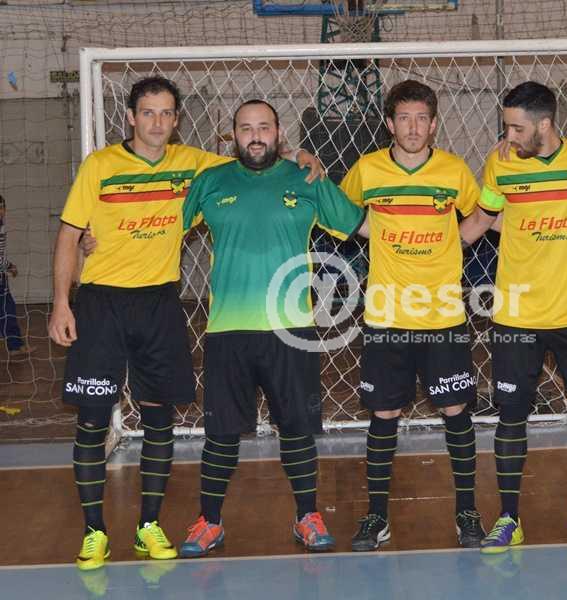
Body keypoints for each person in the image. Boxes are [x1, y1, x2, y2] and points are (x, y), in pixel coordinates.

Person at [48, 76, 323, 571]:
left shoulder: (197, 165)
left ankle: (149, 526)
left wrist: (301, 155)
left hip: (160, 303)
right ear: (130, 117)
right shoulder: (100, 166)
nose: (157, 122)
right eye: (147, 112)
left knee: (159, 419)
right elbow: (69, 235)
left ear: (176, 120)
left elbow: (255, 154)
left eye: (166, 113)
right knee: (92, 420)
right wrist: (61, 304)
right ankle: (94, 532)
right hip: (100, 304)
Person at [177, 99, 366, 557]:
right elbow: (160, 231)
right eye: (246, 128)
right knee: (221, 433)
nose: (255, 135)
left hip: (291, 328)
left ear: (279, 133)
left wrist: (431, 229)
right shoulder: (211, 181)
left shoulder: (307, 178)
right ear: (233, 135)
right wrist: (95, 239)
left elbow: (362, 226)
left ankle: (307, 516)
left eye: (264, 127)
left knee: (297, 428)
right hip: (228, 330)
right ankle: (209, 521)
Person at [471, 81, 567, 553]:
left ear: (545, 124)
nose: (508, 135)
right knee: (511, 416)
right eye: (506, 127)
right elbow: (479, 222)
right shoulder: (500, 163)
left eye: (516, 128)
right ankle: (509, 517)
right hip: (516, 315)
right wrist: (421, 244)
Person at [341, 79, 489, 551]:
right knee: (384, 413)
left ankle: (467, 512)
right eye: (403, 118)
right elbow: (340, 212)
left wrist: (454, 242)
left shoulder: (453, 170)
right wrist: (375, 232)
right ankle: (376, 515)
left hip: (442, 316)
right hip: (387, 315)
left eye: (421, 118)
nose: (412, 127)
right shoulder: (368, 169)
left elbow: (481, 216)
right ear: (390, 123)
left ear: (433, 123)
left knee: (455, 411)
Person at [0, 194, 33, 357]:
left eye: (2, 207)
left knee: (8, 309)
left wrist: (7, 266)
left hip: (1, 277)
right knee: (6, 310)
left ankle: (15, 346)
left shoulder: (2, 225)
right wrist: (10, 266)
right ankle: (15, 345)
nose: (1, 211)